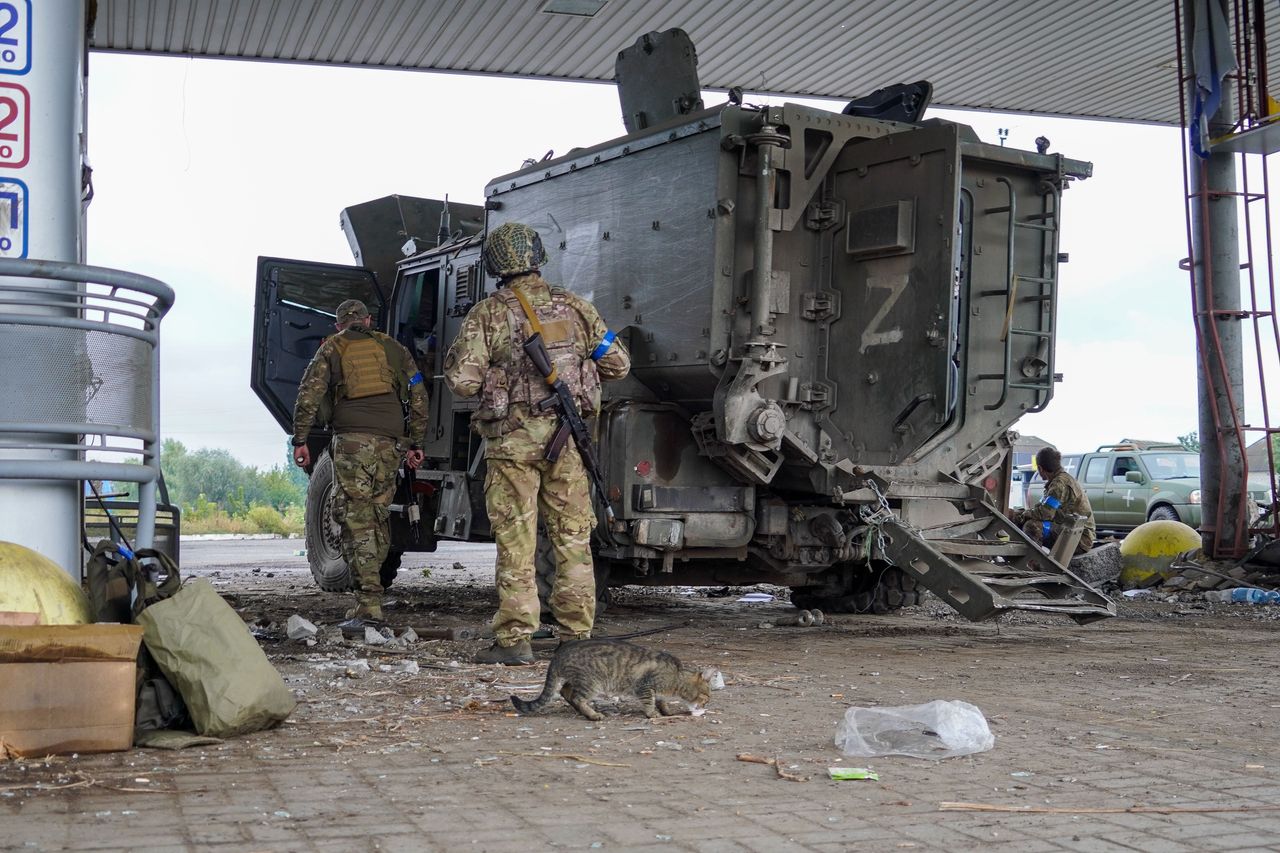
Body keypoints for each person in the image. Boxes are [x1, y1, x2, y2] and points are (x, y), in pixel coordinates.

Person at [444, 222, 630, 665]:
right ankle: (576, 636)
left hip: (512, 445)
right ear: (539, 256)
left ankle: (516, 639)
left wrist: (500, 378)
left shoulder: (488, 314)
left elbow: (461, 381)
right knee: (572, 538)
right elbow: (619, 364)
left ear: (495, 266)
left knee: (517, 539)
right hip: (567, 441)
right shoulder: (579, 309)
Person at [291, 299, 428, 635]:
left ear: (339, 324)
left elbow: (308, 395)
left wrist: (300, 440)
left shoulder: (332, 348)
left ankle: (369, 605)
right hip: (391, 443)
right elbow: (419, 394)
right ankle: (370, 596)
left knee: (356, 519)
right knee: (378, 517)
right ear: (368, 320)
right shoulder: (394, 349)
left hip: (353, 442)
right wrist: (415, 442)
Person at [1010, 446, 1095, 554]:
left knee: (1032, 526)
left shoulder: (1059, 484)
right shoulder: (1060, 480)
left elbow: (1045, 514)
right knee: (1023, 519)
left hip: (1081, 539)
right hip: (1076, 533)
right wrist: (1020, 515)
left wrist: (1021, 516)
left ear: (1040, 468)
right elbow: (1043, 509)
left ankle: (1033, 563)